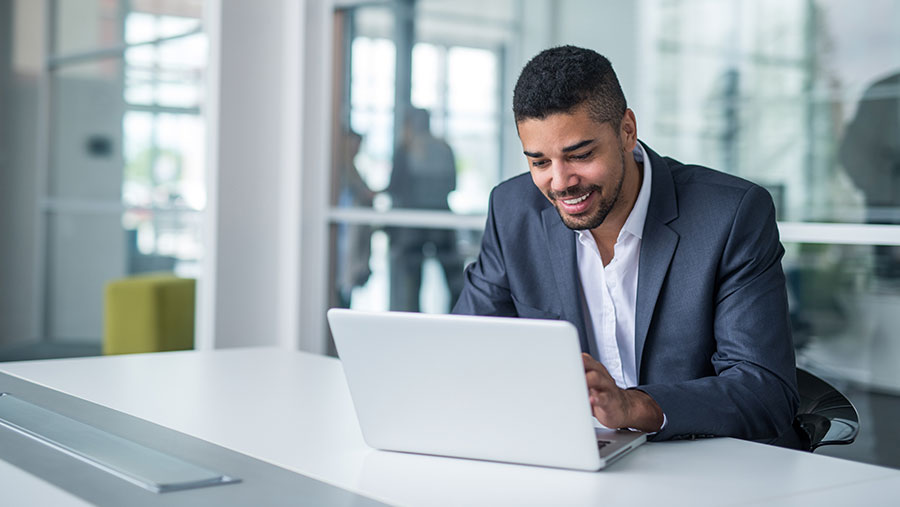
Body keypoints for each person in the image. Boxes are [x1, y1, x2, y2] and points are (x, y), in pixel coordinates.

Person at [453, 45, 799, 443]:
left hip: (706, 463)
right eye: (539, 162)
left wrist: (634, 406)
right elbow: (469, 351)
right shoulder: (513, 210)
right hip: (572, 458)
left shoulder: (730, 215)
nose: (561, 182)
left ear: (627, 131)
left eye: (580, 155)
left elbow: (765, 392)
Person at [387, 107, 464, 311]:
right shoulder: (444, 148)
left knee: (411, 285)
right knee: (454, 281)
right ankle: (456, 324)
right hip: (442, 220)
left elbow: (395, 187)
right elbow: (452, 185)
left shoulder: (406, 149)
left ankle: (411, 330)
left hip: (412, 225)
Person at [335, 130, 375, 308]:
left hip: (352, 233)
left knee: (348, 283)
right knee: (344, 279)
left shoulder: (352, 169)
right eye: (353, 145)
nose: (356, 150)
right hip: (344, 233)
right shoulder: (339, 170)